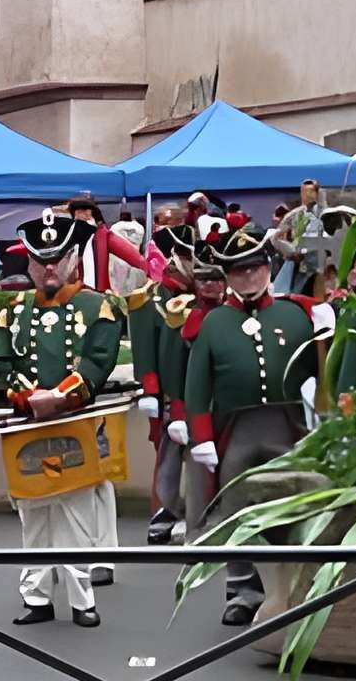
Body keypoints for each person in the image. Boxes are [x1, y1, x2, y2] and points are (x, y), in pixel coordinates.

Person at [178, 225, 317, 625]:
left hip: (289, 425)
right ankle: (241, 587)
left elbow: (322, 368)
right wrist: (200, 436)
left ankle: (294, 584)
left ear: (268, 268)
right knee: (232, 506)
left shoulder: (295, 314)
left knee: (297, 501)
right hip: (234, 428)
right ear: (228, 276)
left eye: (255, 268)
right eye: (239, 271)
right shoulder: (213, 322)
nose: (249, 277)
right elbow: (197, 382)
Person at [0, 214, 125, 628]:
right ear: (29, 264)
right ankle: (36, 597)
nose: (48, 269)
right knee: (33, 516)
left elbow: (99, 361)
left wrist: (61, 396)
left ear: (72, 259)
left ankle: (82, 599)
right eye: (39, 261)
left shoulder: (95, 306)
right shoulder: (15, 309)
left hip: (74, 424)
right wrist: (27, 395)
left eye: (56, 260)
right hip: (27, 425)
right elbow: (0, 362)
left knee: (76, 515)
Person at [132, 254, 221, 544]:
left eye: (216, 279)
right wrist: (174, 403)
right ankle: (163, 515)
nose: (209, 286)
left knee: (209, 465)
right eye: (204, 279)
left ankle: (204, 521)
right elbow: (171, 361)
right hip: (182, 399)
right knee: (170, 461)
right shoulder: (179, 309)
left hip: (220, 401)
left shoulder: (230, 311)